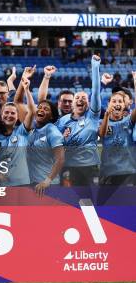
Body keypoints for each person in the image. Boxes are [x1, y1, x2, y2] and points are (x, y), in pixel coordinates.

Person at [56, 55, 101, 186]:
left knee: (87, 198)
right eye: (77, 98)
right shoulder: (63, 120)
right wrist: (61, 138)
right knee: (68, 198)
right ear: (73, 103)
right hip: (68, 165)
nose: (80, 99)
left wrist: (95, 67)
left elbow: (96, 91)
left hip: (89, 165)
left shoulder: (92, 117)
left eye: (84, 98)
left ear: (88, 103)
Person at [0, 78, 35, 187]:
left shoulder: (22, 132)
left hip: (23, 183)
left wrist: (27, 90)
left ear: (17, 117)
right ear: (1, 116)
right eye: (6, 112)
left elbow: (32, 111)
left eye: (13, 113)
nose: (9, 115)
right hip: (2, 184)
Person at [27, 99, 65, 195]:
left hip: (47, 186)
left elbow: (60, 159)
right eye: (39, 107)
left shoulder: (53, 132)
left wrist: (47, 181)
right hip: (32, 182)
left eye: (46, 109)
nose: (41, 110)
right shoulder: (33, 130)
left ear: (51, 116)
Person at [98, 92, 136, 185]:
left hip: (128, 172)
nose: (117, 103)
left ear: (124, 105)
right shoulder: (101, 122)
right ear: (108, 104)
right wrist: (106, 115)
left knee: (126, 199)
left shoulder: (128, 121)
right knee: (104, 200)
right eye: (114, 101)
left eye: (120, 101)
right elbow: (102, 134)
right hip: (108, 172)